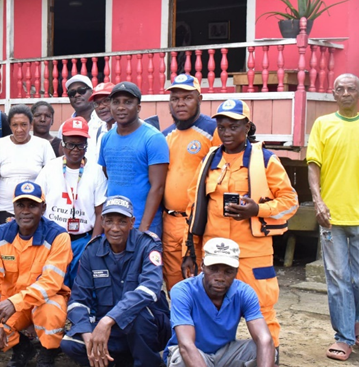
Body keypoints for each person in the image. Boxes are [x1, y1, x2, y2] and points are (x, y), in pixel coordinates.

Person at [183, 98, 297, 367]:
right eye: (222, 126)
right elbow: (194, 209)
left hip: (252, 254)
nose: (227, 131)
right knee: (215, 314)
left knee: (264, 312)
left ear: (247, 127)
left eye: (234, 125)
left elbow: (290, 201)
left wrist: (257, 209)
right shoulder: (209, 159)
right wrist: (190, 251)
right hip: (214, 253)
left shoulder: (266, 160)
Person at [61, 196, 170, 367]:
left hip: (151, 326)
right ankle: (123, 363)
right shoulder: (92, 251)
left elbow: (150, 288)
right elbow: (78, 299)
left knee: (137, 315)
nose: (115, 228)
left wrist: (107, 321)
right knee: (71, 343)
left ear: (132, 222)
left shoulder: (148, 245)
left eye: (122, 221)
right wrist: (87, 333)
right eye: (109, 221)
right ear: (101, 222)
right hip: (112, 330)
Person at [307, 73, 359, 361]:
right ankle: (344, 336)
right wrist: (318, 201)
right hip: (332, 216)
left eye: (350, 88)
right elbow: (313, 165)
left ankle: (356, 316)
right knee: (338, 277)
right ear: (333, 94)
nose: (345, 93)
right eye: (339, 89)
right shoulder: (323, 125)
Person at [163, 238, 274, 367]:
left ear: (236, 272)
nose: (220, 277)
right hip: (194, 355)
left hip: (224, 355)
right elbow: (186, 346)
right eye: (214, 269)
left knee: (264, 347)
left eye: (228, 271)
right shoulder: (183, 290)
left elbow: (264, 340)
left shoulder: (244, 292)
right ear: (202, 267)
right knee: (181, 356)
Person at [0, 181, 72, 367]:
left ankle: (47, 358)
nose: (26, 211)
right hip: (13, 302)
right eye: (21, 205)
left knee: (52, 312)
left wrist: (15, 302)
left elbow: (50, 283)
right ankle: (23, 348)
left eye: (32, 205)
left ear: (43, 208)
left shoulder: (58, 237)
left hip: (44, 300)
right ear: (14, 208)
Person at [161, 73, 220, 290]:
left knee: (200, 283)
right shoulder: (165, 135)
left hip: (197, 222)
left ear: (199, 99)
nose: (180, 103)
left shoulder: (213, 130)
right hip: (169, 221)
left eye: (187, 98)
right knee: (174, 284)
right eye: (175, 99)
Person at [34, 116, 107, 286]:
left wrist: (92, 245)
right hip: (52, 239)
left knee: (80, 286)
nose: (75, 149)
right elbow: (38, 204)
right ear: (62, 145)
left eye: (80, 145)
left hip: (82, 241)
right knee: (53, 285)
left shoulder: (96, 172)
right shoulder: (50, 168)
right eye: (70, 144)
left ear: (86, 146)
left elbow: (100, 212)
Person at [97, 81, 169, 236]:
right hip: (113, 226)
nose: (121, 107)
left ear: (138, 108)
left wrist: (144, 228)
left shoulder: (153, 138)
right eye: (116, 102)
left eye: (128, 102)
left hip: (143, 225)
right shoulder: (106, 138)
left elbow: (158, 187)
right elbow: (108, 173)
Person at [0, 105, 56, 225]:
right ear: (9, 126)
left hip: (34, 211)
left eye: (24, 124)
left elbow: (52, 181)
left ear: (31, 124)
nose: (19, 129)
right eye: (15, 125)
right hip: (4, 209)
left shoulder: (43, 145)